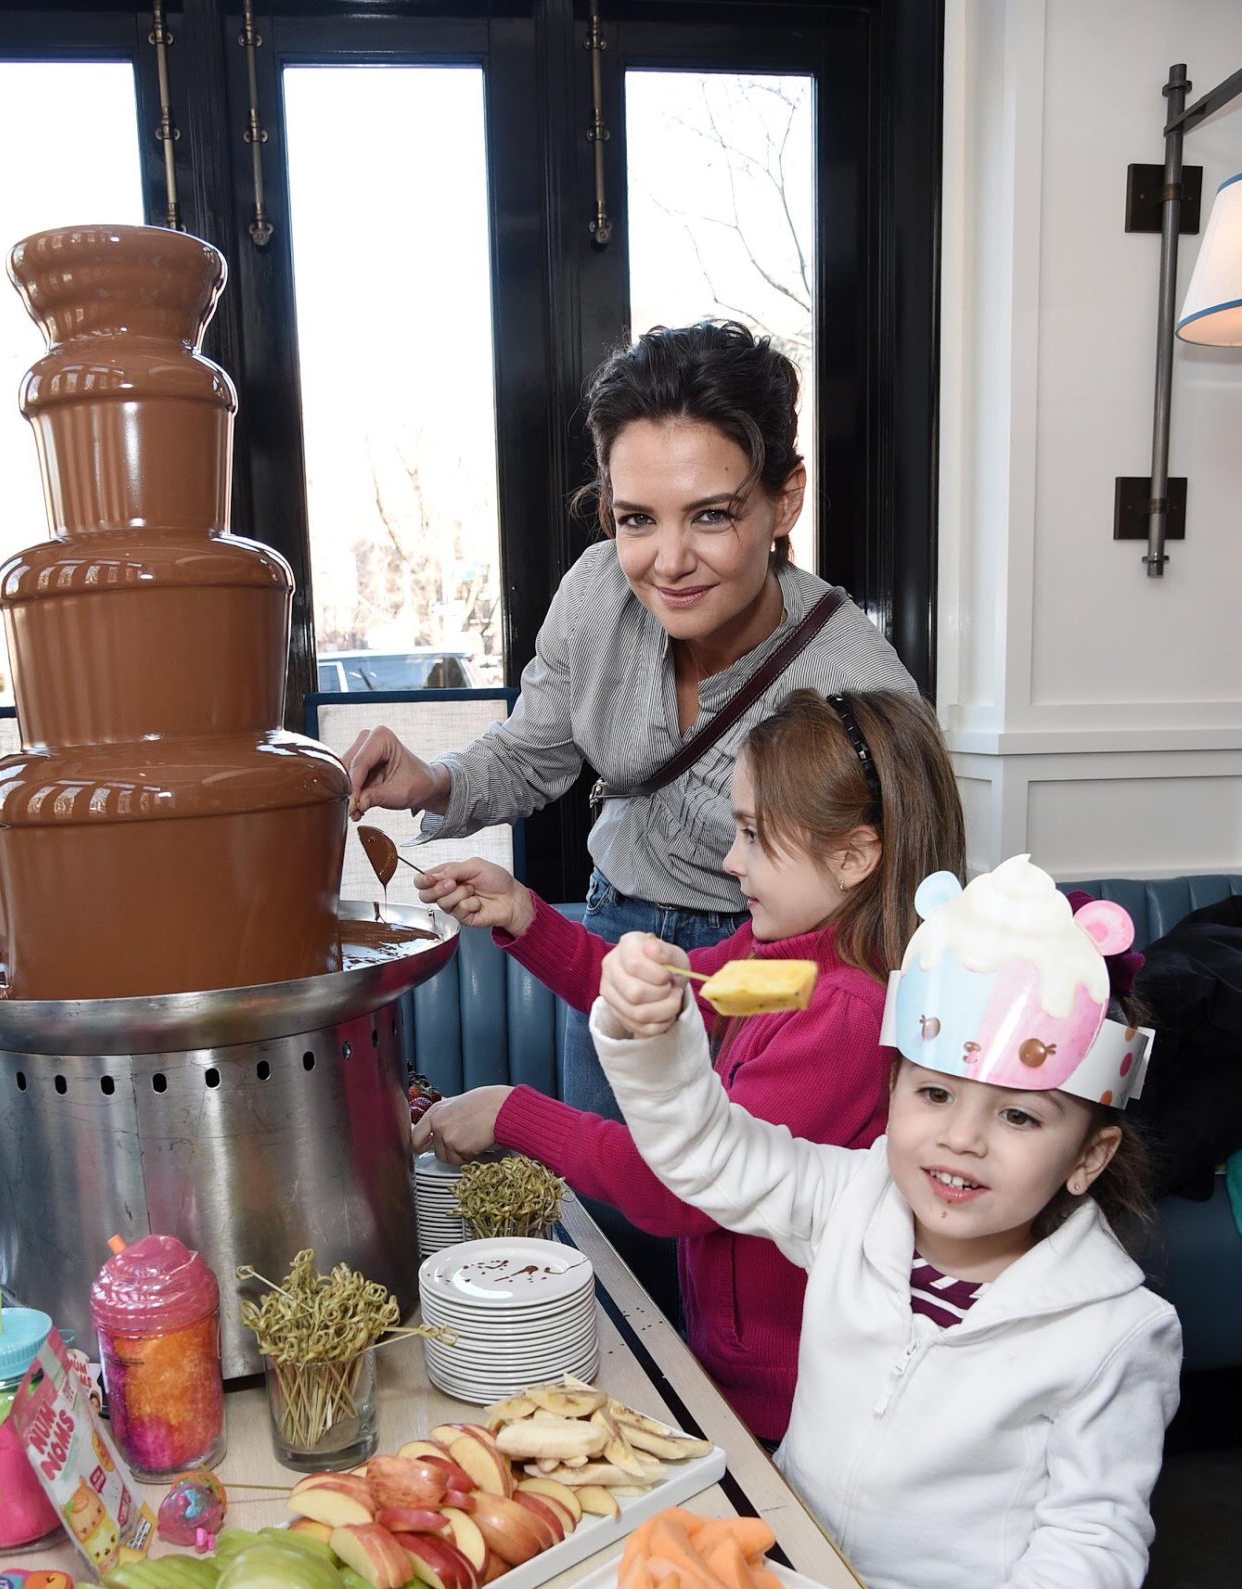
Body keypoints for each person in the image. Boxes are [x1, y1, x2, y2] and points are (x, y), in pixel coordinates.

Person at [589, 856, 1181, 1589]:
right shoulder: (851, 1200)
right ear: (891, 1092)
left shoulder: (1115, 1326)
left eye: (1016, 1113)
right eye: (929, 1094)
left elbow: (1095, 1536)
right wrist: (643, 1035)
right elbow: (704, 1151)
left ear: (1083, 1156)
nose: (958, 1141)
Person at [344, 319, 915, 1119]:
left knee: (732, 1221)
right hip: (610, 936)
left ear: (784, 500)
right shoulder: (593, 591)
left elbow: (883, 931)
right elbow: (529, 754)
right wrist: (431, 781)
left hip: (768, 969)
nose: (667, 561)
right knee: (612, 1230)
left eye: (711, 515)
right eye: (637, 518)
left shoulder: (858, 689)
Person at [411, 689, 966, 1444]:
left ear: (853, 856)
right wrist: (524, 915)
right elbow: (643, 992)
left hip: (793, 1395)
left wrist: (510, 1113)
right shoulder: (775, 951)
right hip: (731, 1364)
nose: (731, 860)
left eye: (752, 836)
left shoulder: (844, 1013)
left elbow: (679, 1192)